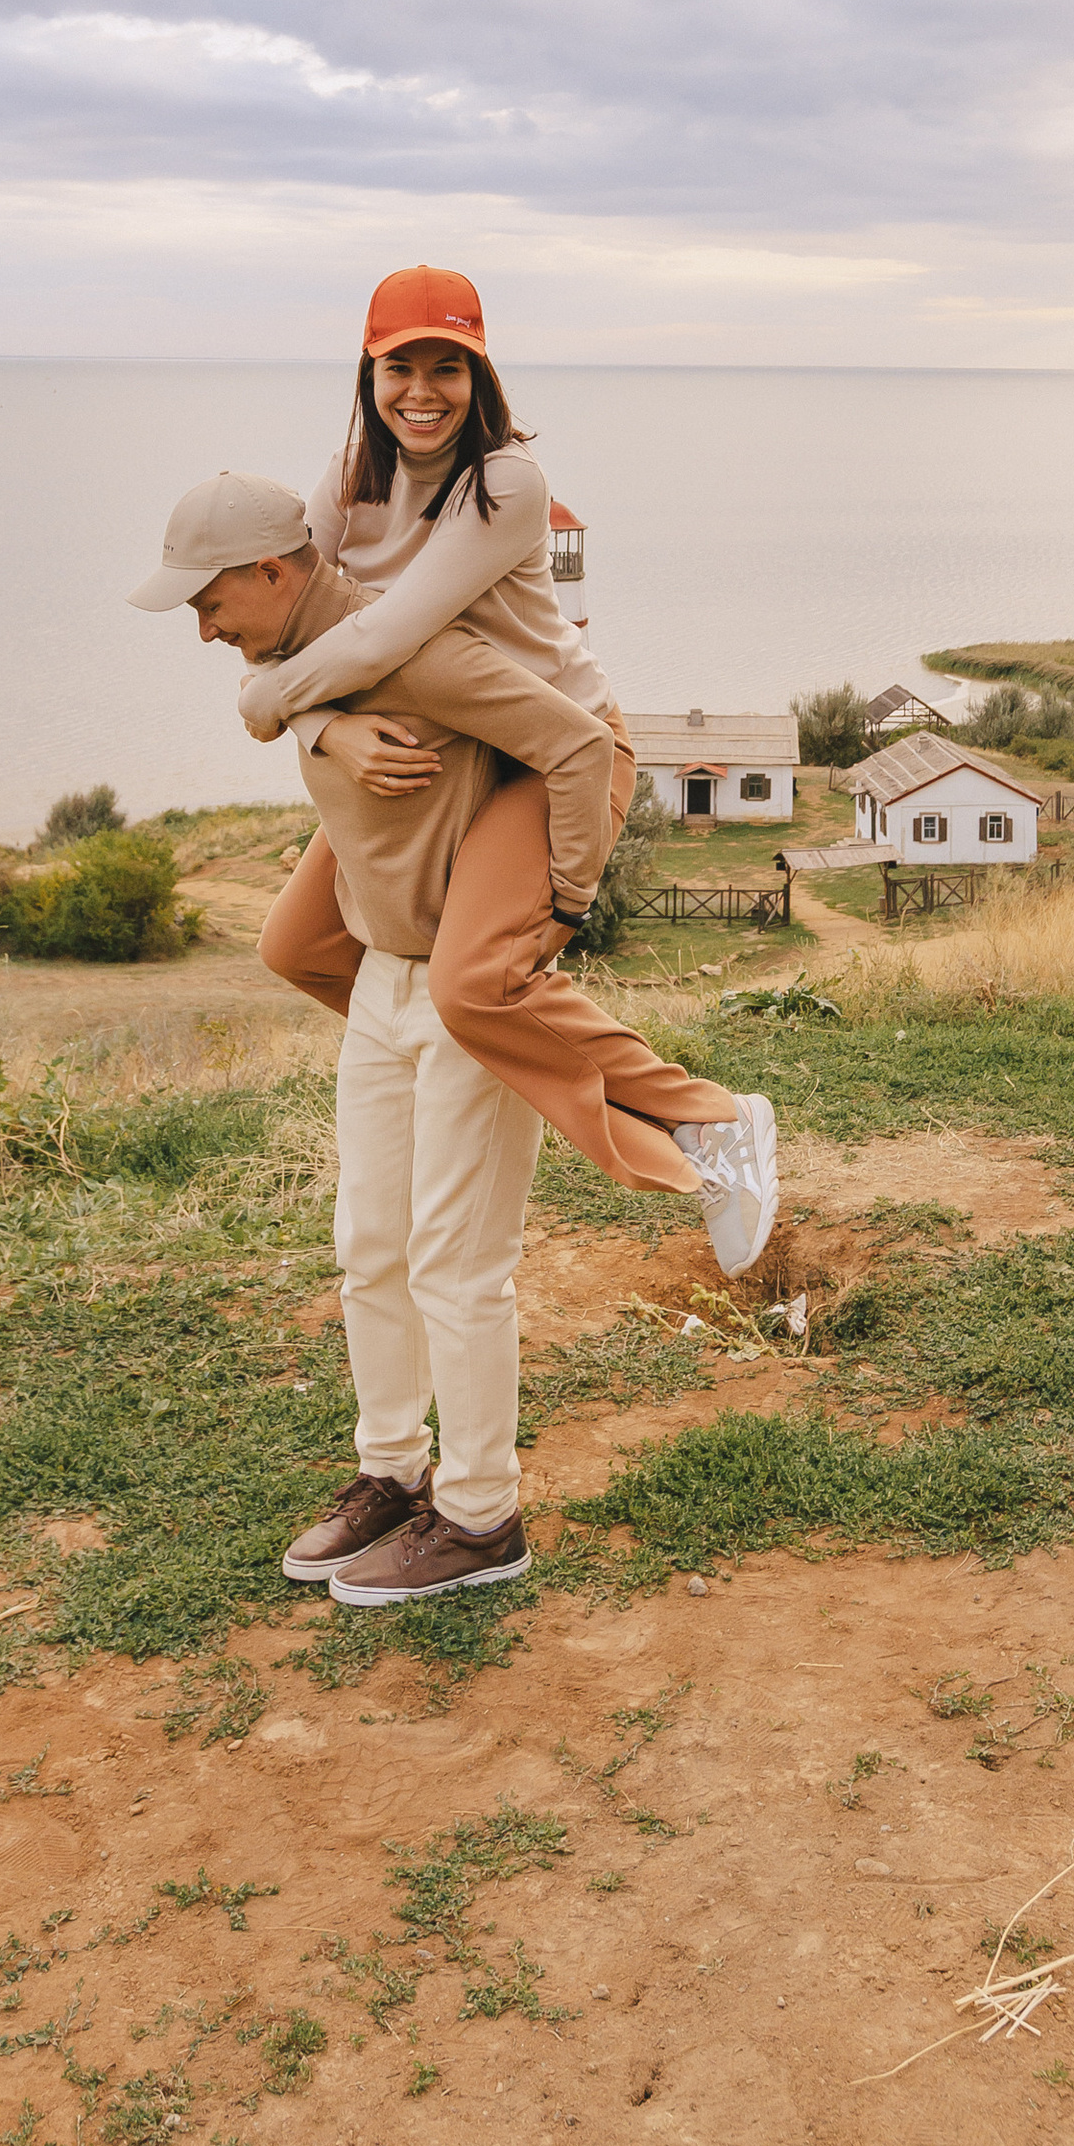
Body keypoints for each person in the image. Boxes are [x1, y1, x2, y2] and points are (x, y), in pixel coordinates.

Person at [137, 466, 695, 1605]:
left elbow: (584, 746)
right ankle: (390, 1473)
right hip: (382, 987)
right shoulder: (302, 669)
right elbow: (284, 694)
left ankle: (481, 1514)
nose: (202, 630)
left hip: (456, 988)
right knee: (370, 1247)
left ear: (271, 571)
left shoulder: (421, 650)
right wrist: (328, 727)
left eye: (209, 602)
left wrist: (563, 913)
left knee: (455, 1263)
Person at [230, 262, 777, 1264]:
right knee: (297, 945)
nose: (422, 392)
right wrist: (323, 731)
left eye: (450, 366)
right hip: (449, 760)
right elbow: (282, 623)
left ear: (480, 376)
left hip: (557, 754)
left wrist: (268, 705)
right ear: (370, 369)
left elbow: (383, 635)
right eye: (402, 366)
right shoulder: (352, 473)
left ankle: (709, 1120)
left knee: (475, 983)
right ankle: (484, 1045)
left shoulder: (508, 481)